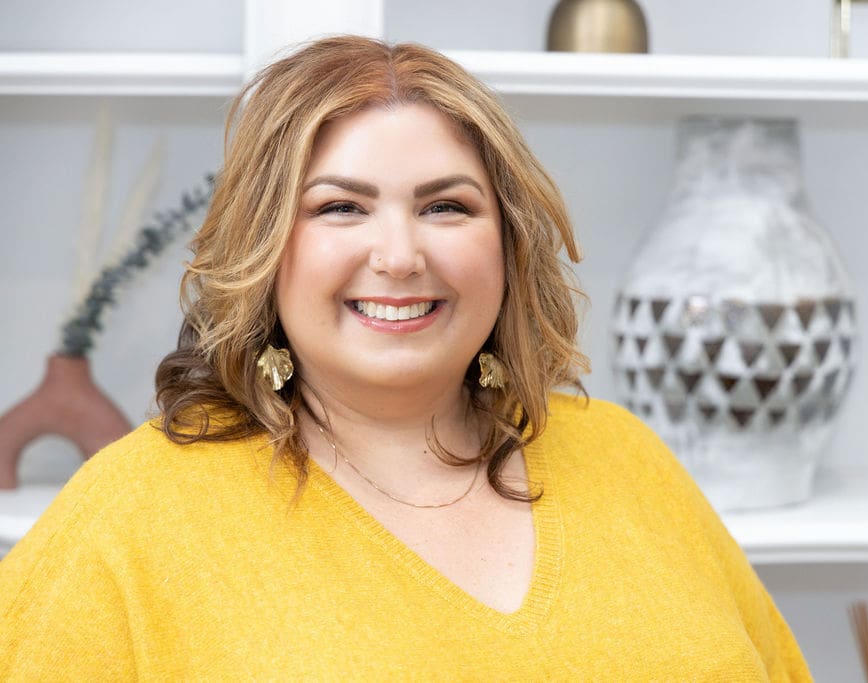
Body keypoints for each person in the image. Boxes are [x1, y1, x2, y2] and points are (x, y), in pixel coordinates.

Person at [0, 36, 811, 680]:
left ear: (507, 244)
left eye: (446, 205)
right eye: (341, 207)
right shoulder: (129, 517)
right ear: (264, 247)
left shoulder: (630, 458)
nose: (399, 253)